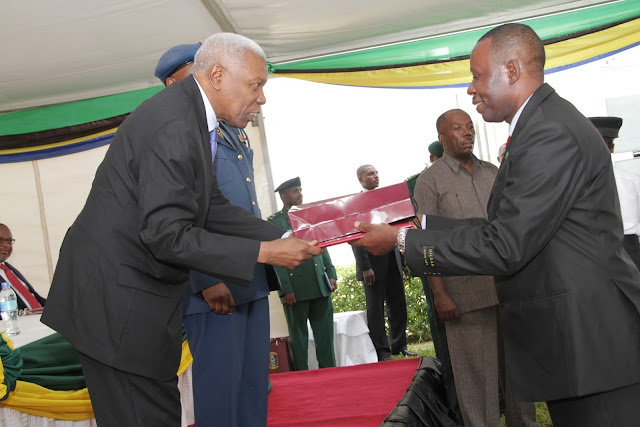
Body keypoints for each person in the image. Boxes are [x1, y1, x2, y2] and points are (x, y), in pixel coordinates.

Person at [352, 23, 640, 427]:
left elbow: (506, 243)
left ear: (511, 70)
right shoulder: (539, 125)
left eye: (477, 75)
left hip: (590, 339)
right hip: (579, 337)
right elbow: (505, 225)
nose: (471, 89)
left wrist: (403, 241)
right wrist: (422, 226)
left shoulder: (548, 132)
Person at [41, 33, 323, 426]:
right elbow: (166, 234)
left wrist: (280, 237)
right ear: (218, 75)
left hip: (132, 299)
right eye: (256, 85)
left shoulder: (191, 116)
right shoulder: (174, 124)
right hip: (117, 305)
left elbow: (211, 206)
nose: (261, 98)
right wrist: (265, 253)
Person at [155, 42, 277, 426]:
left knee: (254, 386)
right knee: (221, 392)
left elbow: (239, 205)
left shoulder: (231, 129)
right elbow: (179, 217)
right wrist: (205, 279)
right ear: (175, 84)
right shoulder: (180, 132)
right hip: (214, 281)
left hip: (250, 273)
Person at [414, 109, 536, 426]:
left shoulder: (494, 172)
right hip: (464, 295)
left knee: (518, 373)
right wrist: (440, 294)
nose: (467, 133)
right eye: (458, 128)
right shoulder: (430, 181)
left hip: (507, 289)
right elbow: (426, 242)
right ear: (442, 138)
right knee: (476, 380)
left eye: (470, 127)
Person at [267, 177, 338, 371]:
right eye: (295, 191)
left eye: (300, 190)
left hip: (320, 285)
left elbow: (322, 246)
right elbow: (275, 257)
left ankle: (330, 372)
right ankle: (301, 375)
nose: (300, 194)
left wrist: (331, 272)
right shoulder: (275, 222)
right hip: (295, 290)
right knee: (299, 339)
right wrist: (285, 290)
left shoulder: (309, 217)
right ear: (283, 196)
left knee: (325, 336)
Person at [351, 165, 415, 361]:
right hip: (372, 265)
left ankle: (399, 346)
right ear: (361, 179)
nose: (375, 176)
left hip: (393, 260)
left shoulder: (385, 199)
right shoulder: (356, 203)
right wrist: (365, 267)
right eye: (370, 174)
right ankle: (381, 350)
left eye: (376, 173)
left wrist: (403, 260)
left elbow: (396, 229)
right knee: (375, 310)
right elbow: (355, 237)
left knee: (398, 305)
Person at [589, 116, 640, 270]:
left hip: (595, 254)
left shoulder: (576, 182)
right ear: (612, 148)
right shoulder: (632, 180)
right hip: (632, 253)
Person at [0, 224, 46, 311]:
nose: (6, 245)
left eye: (9, 241)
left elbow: (36, 298)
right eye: (0, 240)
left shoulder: (8, 269)